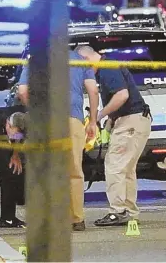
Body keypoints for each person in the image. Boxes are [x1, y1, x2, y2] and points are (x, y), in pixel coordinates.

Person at [17, 46, 99, 231]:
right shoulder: (79, 60)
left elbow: (22, 91)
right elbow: (93, 91)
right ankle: (76, 219)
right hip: (72, 120)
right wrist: (93, 121)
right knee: (74, 171)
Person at [78, 46, 152, 226]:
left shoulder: (107, 67)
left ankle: (118, 211)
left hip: (130, 122)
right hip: (134, 120)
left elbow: (122, 95)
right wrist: (111, 120)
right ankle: (129, 211)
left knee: (115, 165)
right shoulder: (107, 67)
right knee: (126, 168)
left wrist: (100, 115)